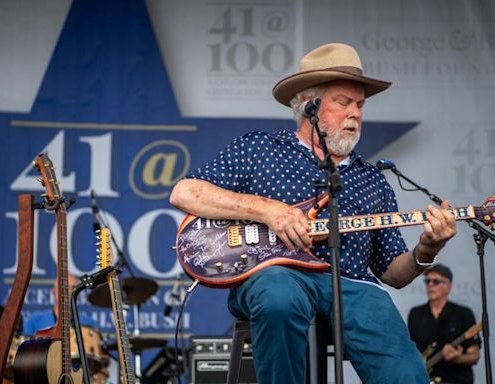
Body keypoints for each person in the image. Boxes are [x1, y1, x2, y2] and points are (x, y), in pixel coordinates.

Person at [170, 43, 457, 384]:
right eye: (343, 102)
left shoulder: (372, 178)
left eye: (360, 105)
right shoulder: (261, 148)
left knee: (395, 349)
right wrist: (267, 209)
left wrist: (427, 249)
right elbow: (184, 191)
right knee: (278, 296)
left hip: (352, 285)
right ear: (309, 105)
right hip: (275, 274)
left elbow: (393, 271)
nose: (356, 114)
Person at [408, 264, 481, 384]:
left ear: (448, 286)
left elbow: (474, 356)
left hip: (455, 380)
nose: (430, 285)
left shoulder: (463, 314)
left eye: (436, 281)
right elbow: (410, 352)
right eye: (428, 281)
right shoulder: (415, 314)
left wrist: (459, 358)